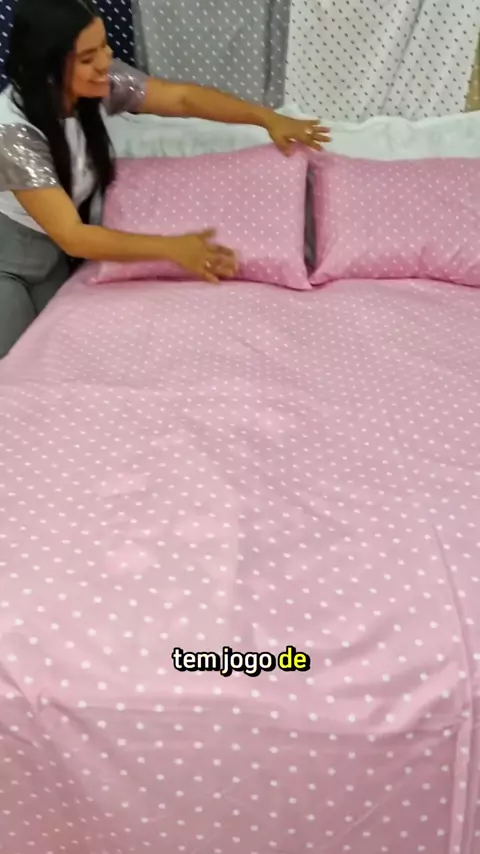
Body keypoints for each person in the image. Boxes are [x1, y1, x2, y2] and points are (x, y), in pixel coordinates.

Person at [0, 0, 330, 358]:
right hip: (11, 262)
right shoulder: (13, 134)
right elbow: (73, 236)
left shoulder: (95, 85)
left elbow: (182, 99)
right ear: (49, 69)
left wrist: (267, 119)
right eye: (87, 57)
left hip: (54, 258)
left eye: (104, 46)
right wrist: (174, 249)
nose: (105, 62)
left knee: (50, 354)